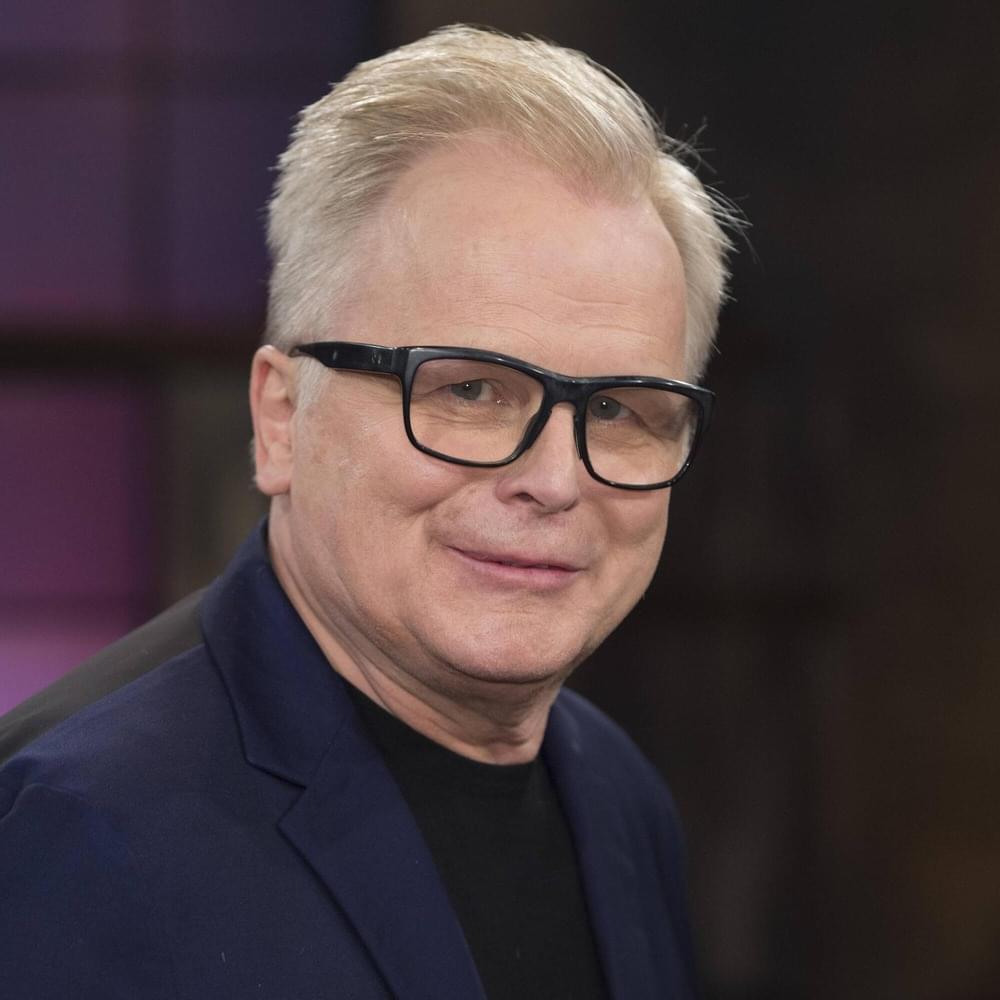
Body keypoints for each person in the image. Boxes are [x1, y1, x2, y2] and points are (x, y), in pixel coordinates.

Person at [0, 25, 731, 1000]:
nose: (556, 480)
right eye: (469, 391)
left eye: (619, 410)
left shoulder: (619, 793)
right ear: (279, 418)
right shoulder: (75, 829)